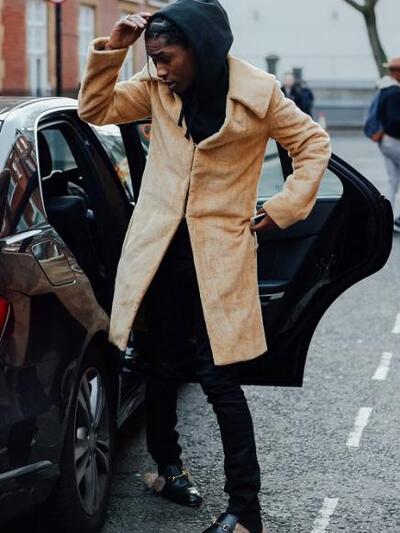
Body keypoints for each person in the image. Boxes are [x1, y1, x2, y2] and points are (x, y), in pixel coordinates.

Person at [78, 1, 331, 531]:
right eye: (153, 58)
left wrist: (284, 207)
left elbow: (312, 143)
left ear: (201, 48)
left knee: (219, 378)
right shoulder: (154, 86)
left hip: (219, 258)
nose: (159, 68)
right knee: (161, 364)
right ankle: (167, 467)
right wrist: (114, 50)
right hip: (159, 253)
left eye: (166, 58)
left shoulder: (259, 93)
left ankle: (245, 509)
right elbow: (95, 110)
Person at [374, 57, 400, 231]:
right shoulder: (395, 92)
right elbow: (395, 120)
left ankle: (387, 218)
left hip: (386, 141)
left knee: (393, 180)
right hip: (394, 140)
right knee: (393, 180)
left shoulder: (384, 89)